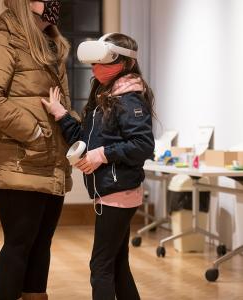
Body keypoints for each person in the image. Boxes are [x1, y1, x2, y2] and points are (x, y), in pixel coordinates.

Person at [0, 1, 76, 299]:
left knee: (41, 242)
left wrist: (70, 127)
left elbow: (62, 103)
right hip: (19, 161)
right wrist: (33, 131)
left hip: (51, 160)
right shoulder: (4, 38)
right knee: (19, 242)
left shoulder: (51, 44)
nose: (54, 3)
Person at [42, 33, 155, 300]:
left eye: (101, 63)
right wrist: (61, 114)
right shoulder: (106, 95)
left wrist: (101, 155)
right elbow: (85, 139)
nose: (94, 69)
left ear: (124, 63)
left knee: (100, 267)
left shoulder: (128, 99)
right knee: (117, 264)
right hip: (111, 192)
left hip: (118, 193)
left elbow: (143, 145)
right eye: (92, 64)